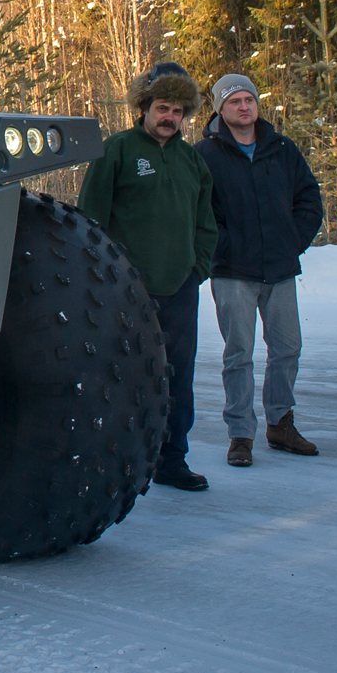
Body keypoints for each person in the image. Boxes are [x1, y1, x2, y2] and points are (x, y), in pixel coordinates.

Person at [78, 61, 218, 491]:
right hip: (125, 290)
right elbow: (90, 221)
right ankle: (117, 458)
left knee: (178, 375)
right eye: (162, 108)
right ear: (143, 107)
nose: (169, 117)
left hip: (180, 288)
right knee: (122, 373)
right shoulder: (118, 150)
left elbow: (206, 223)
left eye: (177, 110)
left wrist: (197, 270)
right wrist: (105, 276)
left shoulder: (192, 160)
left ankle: (171, 459)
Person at [194, 74, 324, 468]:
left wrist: (292, 240)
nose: (244, 107)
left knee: (287, 349)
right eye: (234, 101)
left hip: (279, 270)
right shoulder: (205, 154)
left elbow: (309, 197)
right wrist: (224, 246)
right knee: (239, 354)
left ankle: (280, 423)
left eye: (249, 99)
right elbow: (198, 212)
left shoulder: (281, 148)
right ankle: (241, 434)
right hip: (233, 272)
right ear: (220, 109)